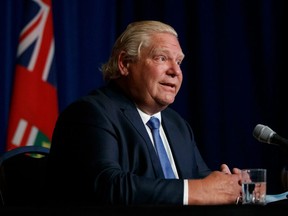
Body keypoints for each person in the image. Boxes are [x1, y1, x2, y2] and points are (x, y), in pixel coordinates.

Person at [46, 20, 242, 206]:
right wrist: (198, 190)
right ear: (124, 63)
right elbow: (107, 185)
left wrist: (232, 186)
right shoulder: (91, 113)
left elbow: (200, 180)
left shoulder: (176, 124)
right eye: (161, 58)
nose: (175, 71)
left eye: (179, 62)